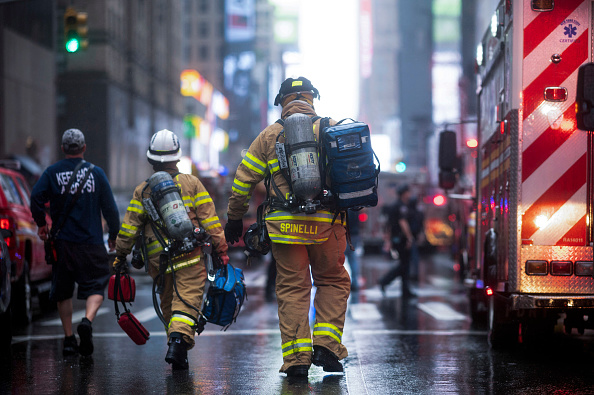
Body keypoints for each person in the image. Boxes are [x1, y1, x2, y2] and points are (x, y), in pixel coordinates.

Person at [225, 77, 350, 378]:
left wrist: (233, 217)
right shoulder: (330, 127)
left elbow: (244, 180)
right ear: (312, 98)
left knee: (293, 289)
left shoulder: (269, 136)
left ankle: (296, 359)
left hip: (285, 228)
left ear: (281, 101)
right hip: (327, 225)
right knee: (332, 281)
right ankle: (327, 347)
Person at [113, 129, 229, 370]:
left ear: (151, 160)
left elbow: (129, 228)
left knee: (169, 305)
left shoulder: (142, 190)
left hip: (159, 262)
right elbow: (210, 219)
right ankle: (177, 343)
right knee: (186, 302)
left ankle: (179, 352)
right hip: (189, 255)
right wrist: (221, 248)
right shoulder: (192, 183)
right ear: (177, 158)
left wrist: (120, 255)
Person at [30, 128, 120, 356]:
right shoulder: (96, 173)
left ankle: (69, 339)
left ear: (63, 149)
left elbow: (35, 198)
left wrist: (41, 223)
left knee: (63, 292)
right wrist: (113, 236)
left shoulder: (52, 173)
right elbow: (110, 209)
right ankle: (87, 321)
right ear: (84, 148)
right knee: (97, 285)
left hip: (63, 244)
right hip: (91, 243)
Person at [378, 184, 416, 298]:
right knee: (404, 265)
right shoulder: (401, 207)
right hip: (401, 239)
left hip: (397, 238)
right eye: (408, 192)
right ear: (404, 194)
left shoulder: (396, 206)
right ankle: (384, 281)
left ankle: (405, 290)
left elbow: (389, 224)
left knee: (405, 265)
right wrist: (409, 237)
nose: (410, 194)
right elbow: (402, 222)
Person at [408, 195, 425, 282]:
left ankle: (413, 274)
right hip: (413, 236)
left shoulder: (409, 212)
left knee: (412, 256)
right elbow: (421, 225)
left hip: (410, 237)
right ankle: (414, 274)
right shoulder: (418, 213)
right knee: (414, 256)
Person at [345, 209, 361, 291]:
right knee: (352, 259)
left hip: (345, 234)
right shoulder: (355, 207)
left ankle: (339, 282)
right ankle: (354, 282)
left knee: (338, 259)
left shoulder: (344, 207)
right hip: (354, 235)